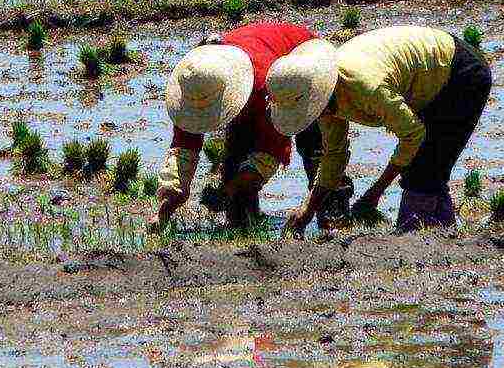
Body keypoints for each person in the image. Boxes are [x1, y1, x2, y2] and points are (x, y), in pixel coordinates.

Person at [265, 25, 492, 234]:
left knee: (421, 172)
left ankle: (414, 241)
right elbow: (334, 155)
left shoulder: (366, 87)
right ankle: (445, 237)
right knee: (429, 170)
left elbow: (413, 134)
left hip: (461, 73)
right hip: (426, 84)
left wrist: (376, 192)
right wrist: (308, 209)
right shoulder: (324, 102)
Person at [150, 23, 353, 232]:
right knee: (237, 162)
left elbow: (270, 152)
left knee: (316, 148)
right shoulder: (194, 86)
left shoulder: (263, 86)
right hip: (258, 78)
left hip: (303, 67)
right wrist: (165, 207)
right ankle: (246, 225)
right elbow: (183, 149)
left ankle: (334, 220)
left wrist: (228, 190)